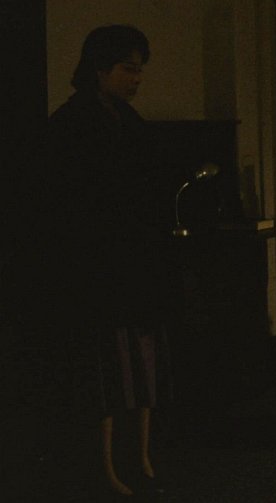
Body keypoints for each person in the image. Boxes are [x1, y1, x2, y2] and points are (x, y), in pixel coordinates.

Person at [5, 24, 174, 498]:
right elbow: (64, 205)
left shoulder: (127, 119)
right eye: (127, 69)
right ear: (100, 69)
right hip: (96, 268)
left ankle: (139, 457)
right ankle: (106, 466)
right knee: (105, 370)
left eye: (139, 70)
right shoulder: (73, 124)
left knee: (139, 363)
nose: (136, 79)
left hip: (131, 262)